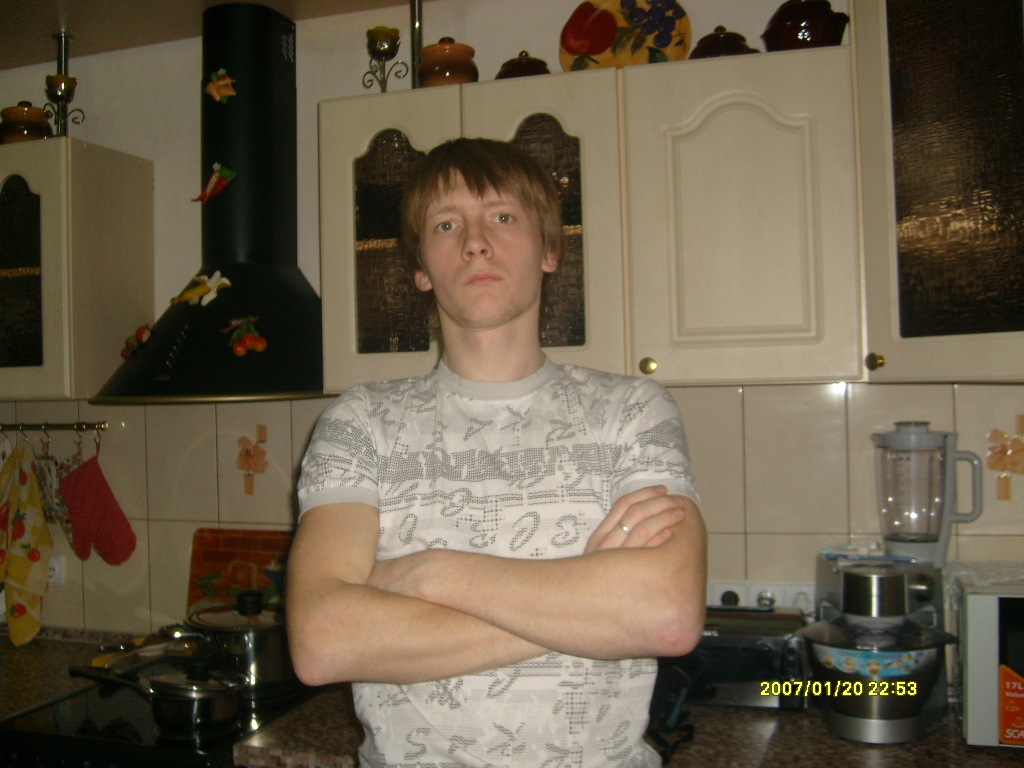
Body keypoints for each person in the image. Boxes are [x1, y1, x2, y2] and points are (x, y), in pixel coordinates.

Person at [288, 137, 706, 767]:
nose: (475, 242)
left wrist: (428, 574)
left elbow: (665, 613)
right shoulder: (360, 423)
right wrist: (585, 607)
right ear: (421, 269)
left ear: (549, 250)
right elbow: (321, 642)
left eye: (503, 217)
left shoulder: (631, 412)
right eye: (446, 224)